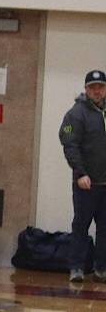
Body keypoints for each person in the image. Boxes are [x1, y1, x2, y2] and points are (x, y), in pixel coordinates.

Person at [59, 69, 106, 283]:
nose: (97, 91)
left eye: (101, 87)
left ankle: (101, 269)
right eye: (93, 87)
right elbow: (69, 143)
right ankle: (76, 268)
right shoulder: (75, 114)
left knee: (104, 228)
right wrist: (80, 173)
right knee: (81, 226)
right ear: (86, 89)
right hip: (86, 183)